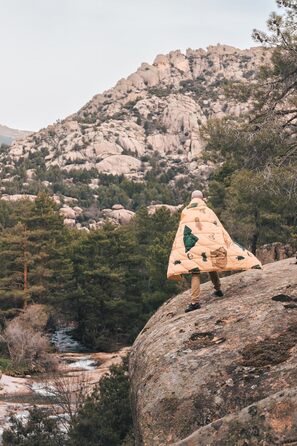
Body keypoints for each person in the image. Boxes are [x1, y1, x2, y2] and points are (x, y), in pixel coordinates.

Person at [167, 190, 262, 312]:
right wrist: (226, 242)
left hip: (193, 247)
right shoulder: (208, 211)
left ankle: (195, 302)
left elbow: (181, 231)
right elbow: (218, 227)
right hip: (209, 245)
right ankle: (218, 290)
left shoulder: (186, 211)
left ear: (191, 199)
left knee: (195, 272)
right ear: (202, 199)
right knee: (211, 264)